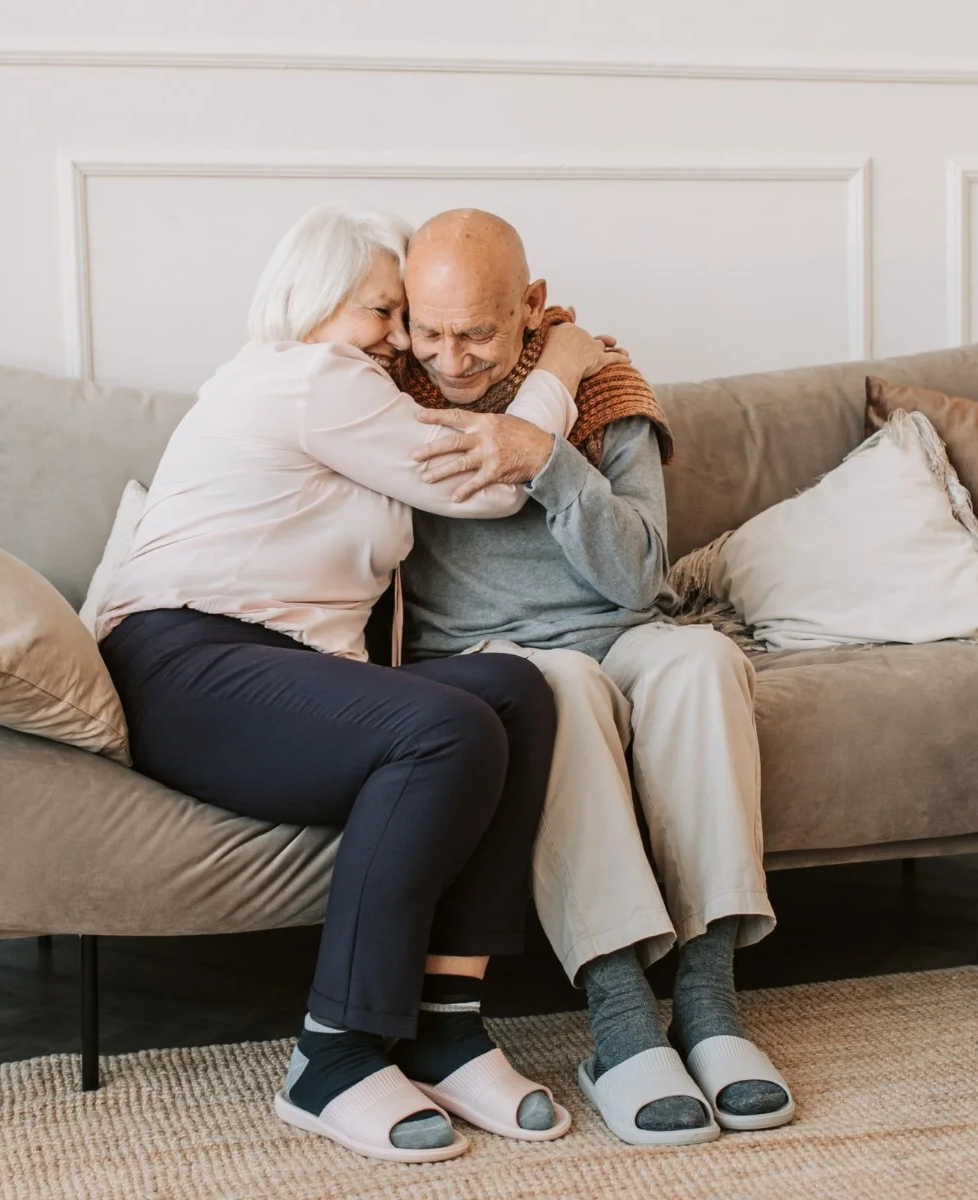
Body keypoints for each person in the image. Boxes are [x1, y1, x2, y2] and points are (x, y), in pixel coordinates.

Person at [95, 206, 624, 1163]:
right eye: (385, 312)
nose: (399, 339)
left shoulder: (345, 391)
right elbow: (489, 482)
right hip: (187, 663)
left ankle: (447, 1028)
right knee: (447, 730)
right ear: (318, 301)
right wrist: (560, 368)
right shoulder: (312, 376)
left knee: (515, 692)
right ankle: (332, 1055)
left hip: (267, 668)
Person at [396, 209, 796, 1147]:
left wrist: (550, 459)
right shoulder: (381, 393)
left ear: (531, 307)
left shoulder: (606, 385)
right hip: (491, 659)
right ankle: (618, 1024)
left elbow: (643, 574)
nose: (450, 360)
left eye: (479, 333)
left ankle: (708, 1005)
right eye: (430, 329)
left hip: (623, 629)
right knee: (557, 689)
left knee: (701, 657)